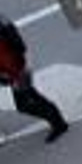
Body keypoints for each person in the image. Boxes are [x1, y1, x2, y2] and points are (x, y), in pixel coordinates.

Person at [0, 12, 68, 141]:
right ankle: (57, 120)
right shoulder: (2, 21)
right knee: (31, 96)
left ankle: (58, 122)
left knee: (24, 104)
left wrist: (23, 66)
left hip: (15, 68)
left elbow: (16, 42)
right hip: (12, 68)